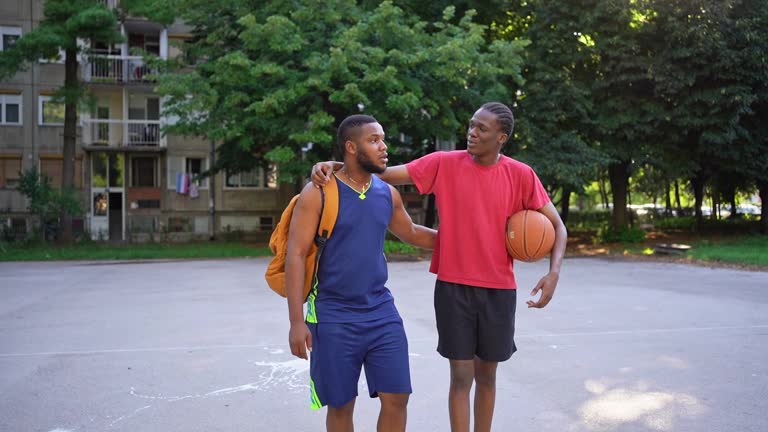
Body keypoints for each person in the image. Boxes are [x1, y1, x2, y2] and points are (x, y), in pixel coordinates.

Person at [311, 102, 567, 432]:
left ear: (501, 137)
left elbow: (557, 227)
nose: (472, 132)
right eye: (471, 125)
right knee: (461, 375)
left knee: (487, 375)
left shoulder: (521, 175)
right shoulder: (444, 164)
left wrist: (553, 272)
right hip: (453, 286)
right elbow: (383, 172)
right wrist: (334, 164)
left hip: (499, 289)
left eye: (482, 129)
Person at [286, 114, 436, 432]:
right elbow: (296, 254)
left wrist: (461, 241)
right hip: (332, 313)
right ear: (352, 148)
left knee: (397, 397)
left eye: (383, 139)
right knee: (341, 406)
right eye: (374, 140)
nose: (383, 147)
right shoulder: (319, 192)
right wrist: (296, 323)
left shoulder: (386, 193)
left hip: (381, 311)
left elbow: (411, 232)